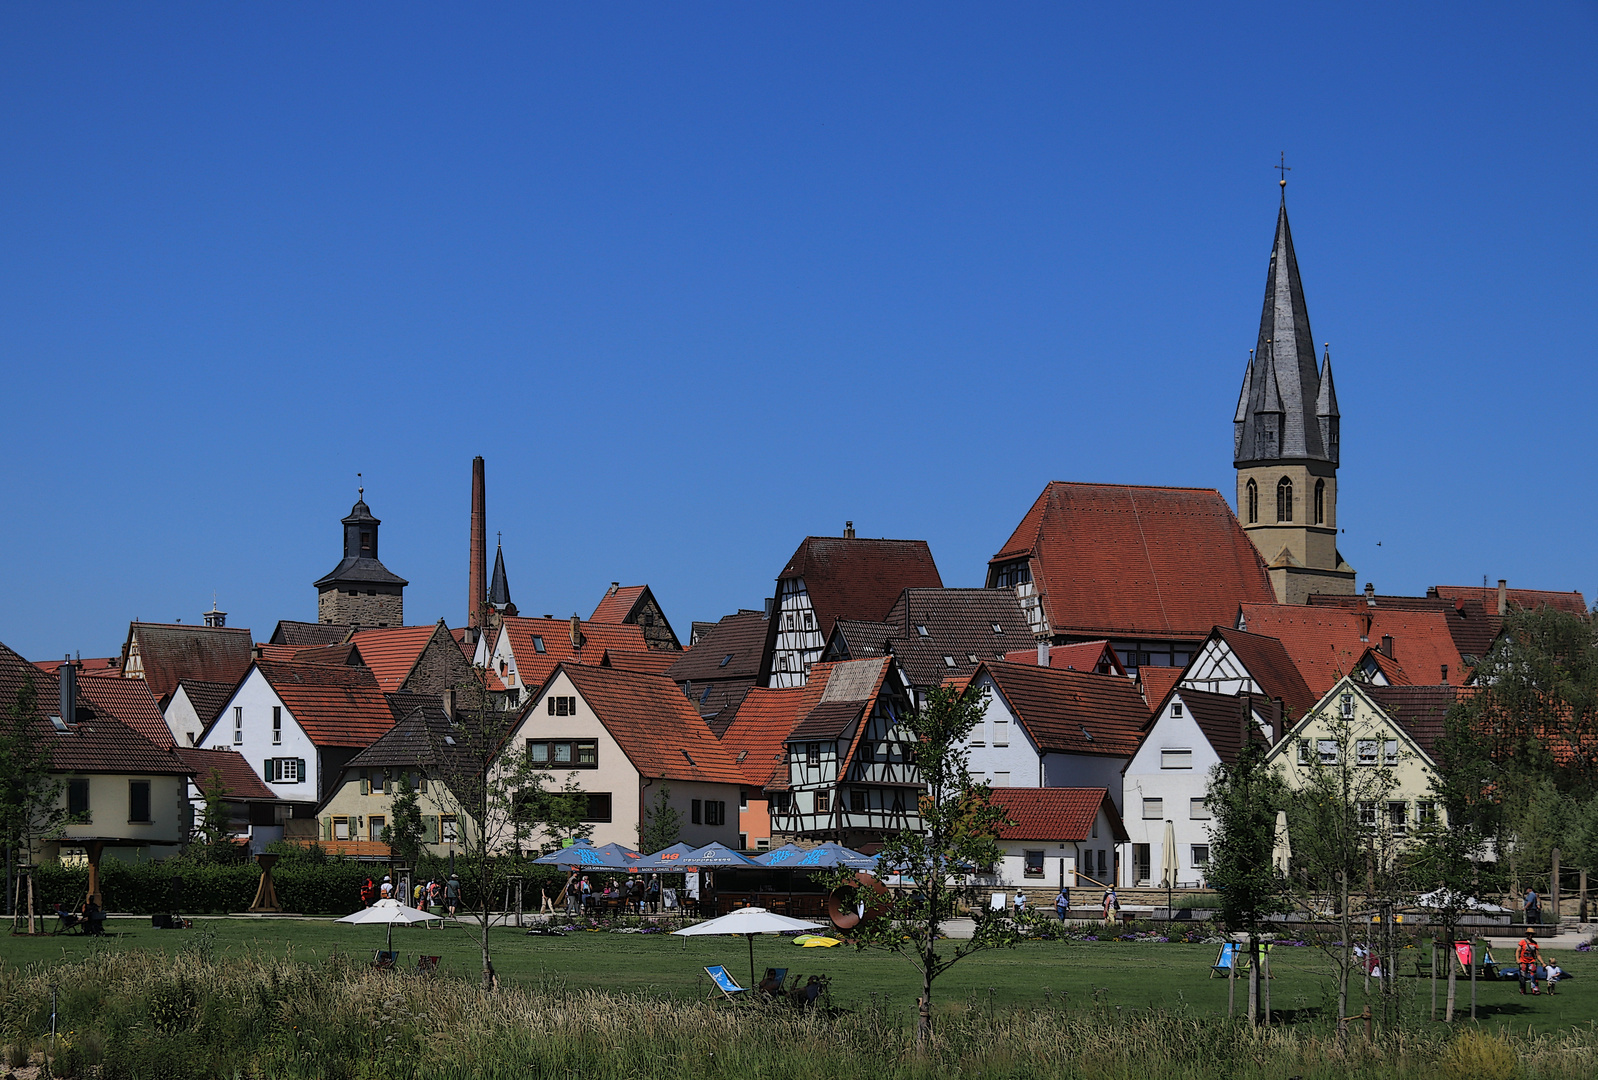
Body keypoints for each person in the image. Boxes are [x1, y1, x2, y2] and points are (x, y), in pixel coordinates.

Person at [1517, 930, 1542, 995]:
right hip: (1523, 962)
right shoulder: (1522, 942)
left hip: (1531, 961)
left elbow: (1537, 954)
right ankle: (1522, 989)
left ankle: (1535, 989)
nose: (1530, 935)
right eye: (1529, 934)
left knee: (1533, 975)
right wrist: (1517, 959)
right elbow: (1518, 951)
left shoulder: (1534, 943)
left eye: (1532, 934)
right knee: (1523, 977)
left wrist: (1542, 962)